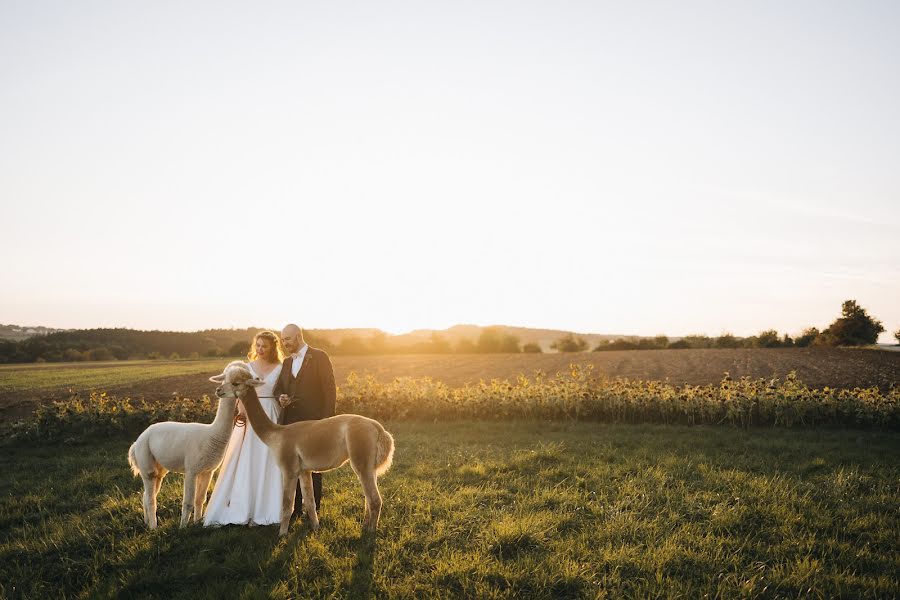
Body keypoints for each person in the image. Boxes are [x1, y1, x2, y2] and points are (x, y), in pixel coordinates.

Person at [204, 331, 284, 526]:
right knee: (248, 456)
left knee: (270, 458)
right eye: (257, 345)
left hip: (271, 412)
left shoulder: (281, 368)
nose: (260, 349)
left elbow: (283, 390)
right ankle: (242, 506)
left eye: (265, 346)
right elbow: (239, 391)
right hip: (251, 411)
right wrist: (242, 411)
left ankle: (268, 508)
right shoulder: (247, 367)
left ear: (273, 347)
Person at [274, 323, 336, 516]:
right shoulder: (286, 362)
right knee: (292, 466)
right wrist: (281, 397)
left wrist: (326, 422)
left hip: (314, 422)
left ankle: (314, 508)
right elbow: (278, 389)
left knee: (313, 464)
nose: (284, 343)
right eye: (282, 340)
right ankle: (295, 509)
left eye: (287, 339)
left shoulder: (319, 356)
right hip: (290, 424)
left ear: (299, 336)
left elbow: (329, 389)